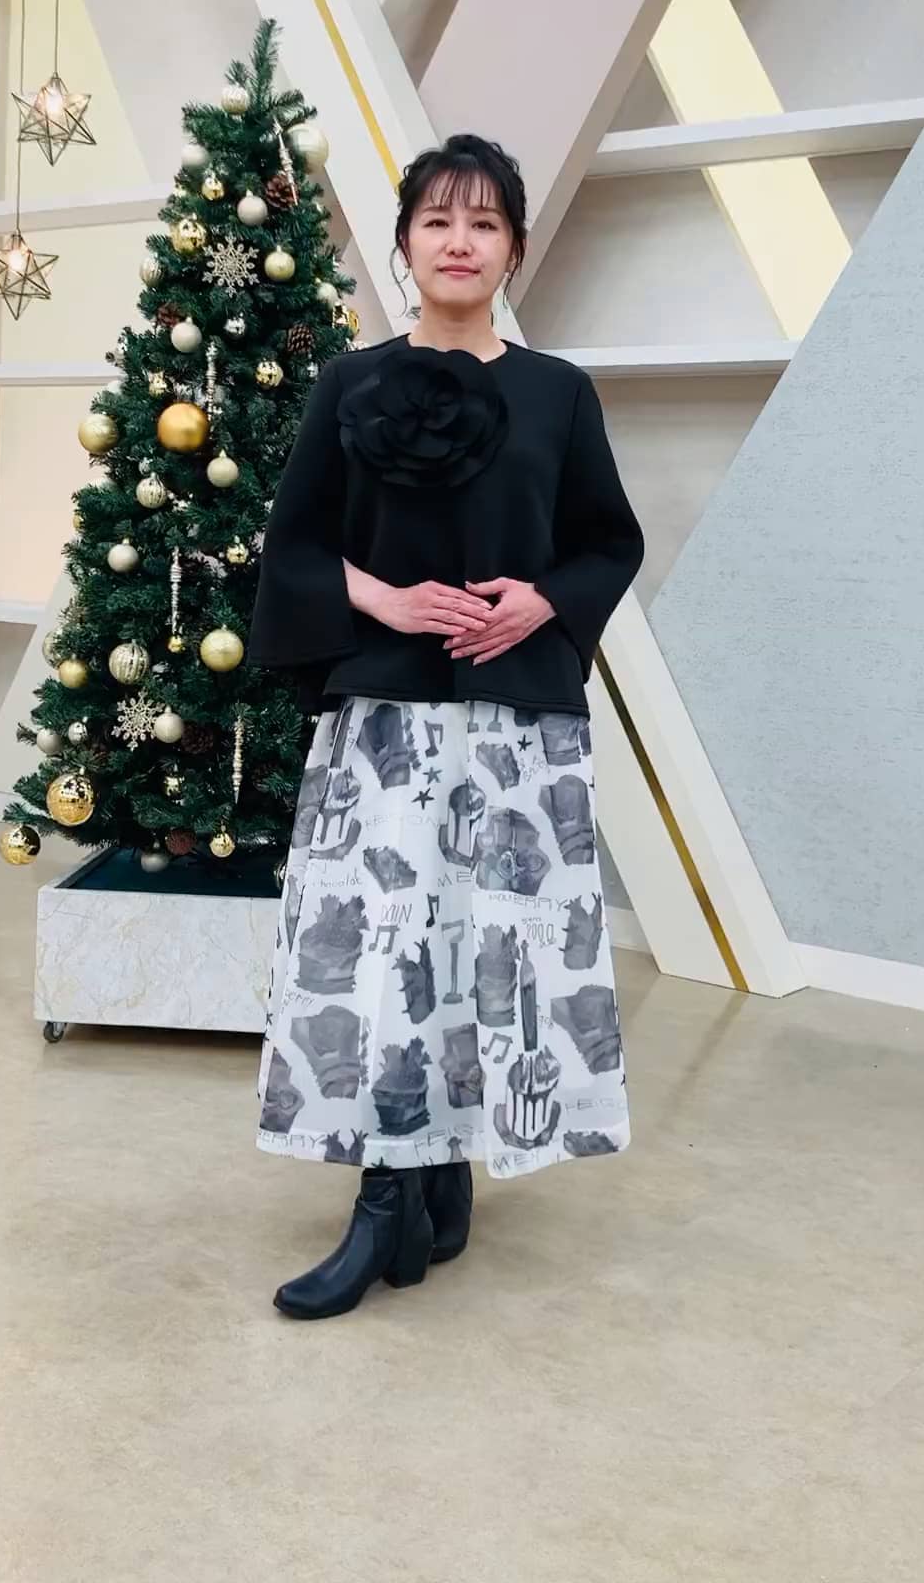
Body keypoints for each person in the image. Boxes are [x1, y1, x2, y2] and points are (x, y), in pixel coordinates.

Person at [249, 133, 644, 1320]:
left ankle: (444, 1166)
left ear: (514, 247)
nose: (459, 241)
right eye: (437, 220)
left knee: (493, 955)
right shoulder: (347, 383)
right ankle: (387, 1196)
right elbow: (294, 547)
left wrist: (542, 600)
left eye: (483, 222)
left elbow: (608, 542)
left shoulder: (559, 392)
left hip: (516, 732)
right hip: (384, 729)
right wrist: (382, 598)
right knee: (381, 955)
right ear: (405, 244)